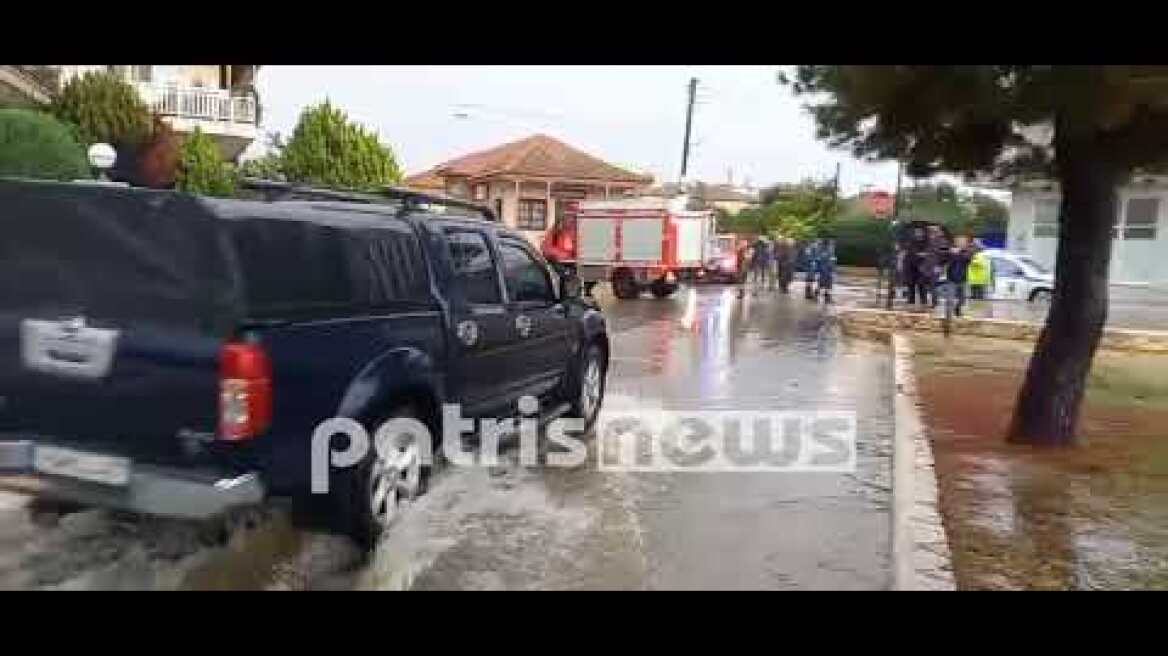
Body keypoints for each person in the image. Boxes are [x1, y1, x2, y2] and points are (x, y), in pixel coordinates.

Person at [945, 235, 973, 316]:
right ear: (955, 243)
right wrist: (951, 252)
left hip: (963, 279)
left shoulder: (968, 251)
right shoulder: (950, 251)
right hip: (951, 279)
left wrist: (959, 252)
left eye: (962, 242)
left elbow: (967, 258)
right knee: (949, 299)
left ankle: (957, 309)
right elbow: (945, 258)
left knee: (963, 299)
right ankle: (948, 317)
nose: (961, 243)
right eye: (959, 241)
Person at [814, 238, 837, 304]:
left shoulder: (830, 251)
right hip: (824, 270)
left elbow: (832, 261)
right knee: (821, 284)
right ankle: (818, 295)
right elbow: (820, 261)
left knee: (828, 284)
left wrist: (833, 269)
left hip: (828, 270)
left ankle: (827, 297)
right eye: (831, 244)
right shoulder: (824, 251)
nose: (832, 246)